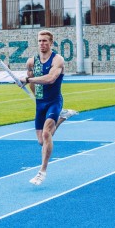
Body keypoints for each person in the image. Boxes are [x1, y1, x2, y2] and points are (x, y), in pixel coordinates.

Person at [20, 30, 76, 186]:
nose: (42, 44)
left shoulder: (57, 60)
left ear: (51, 43)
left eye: (45, 41)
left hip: (54, 101)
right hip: (40, 103)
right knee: (41, 141)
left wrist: (27, 79)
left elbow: (51, 79)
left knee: (46, 134)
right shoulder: (31, 62)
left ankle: (42, 172)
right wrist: (26, 84)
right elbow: (31, 83)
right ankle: (62, 117)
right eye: (39, 41)